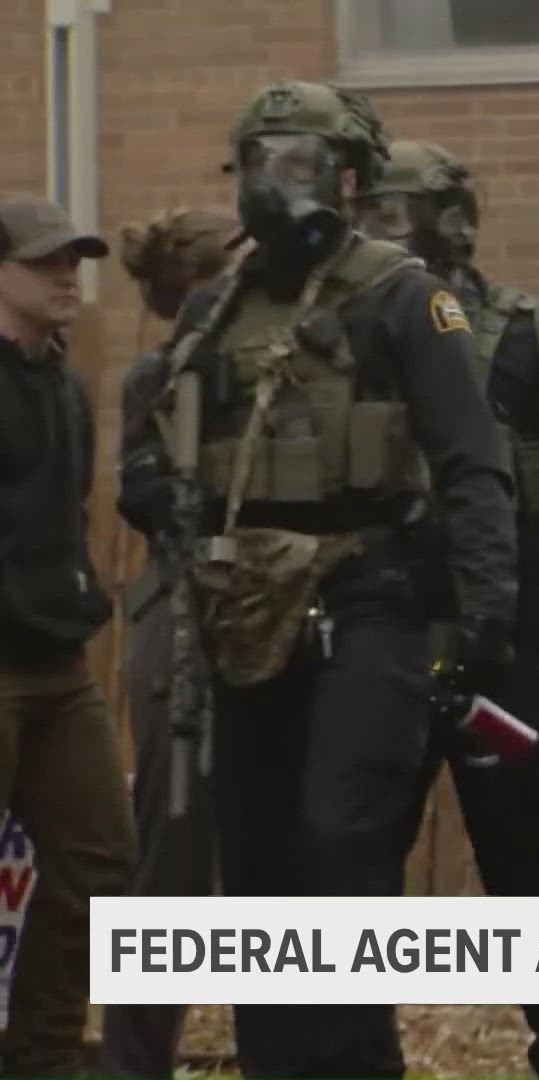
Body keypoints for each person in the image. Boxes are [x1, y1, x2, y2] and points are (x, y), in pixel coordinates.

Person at [144, 81, 519, 1079]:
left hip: (371, 595)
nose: (277, 184)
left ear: (350, 180)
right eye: (260, 162)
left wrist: (484, 613)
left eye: (300, 164)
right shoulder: (222, 304)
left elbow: (474, 459)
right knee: (259, 859)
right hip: (244, 605)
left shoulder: (403, 295)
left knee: (341, 837)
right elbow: (164, 431)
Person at [350, 138, 539, 1078]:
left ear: (454, 224)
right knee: (356, 853)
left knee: (530, 853)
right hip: (382, 620)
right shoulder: (350, 330)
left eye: (390, 212)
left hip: (509, 624)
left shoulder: (530, 331)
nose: (370, 231)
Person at [101, 206, 241, 1080]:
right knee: (173, 852)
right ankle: (133, 1064)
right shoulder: (159, 376)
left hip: (271, 616)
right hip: (184, 615)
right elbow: (147, 499)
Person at [0, 193, 136, 1078]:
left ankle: (41, 1056)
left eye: (74, 260)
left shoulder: (66, 385)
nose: (66, 276)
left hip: (59, 663)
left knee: (102, 857)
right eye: (46, 261)